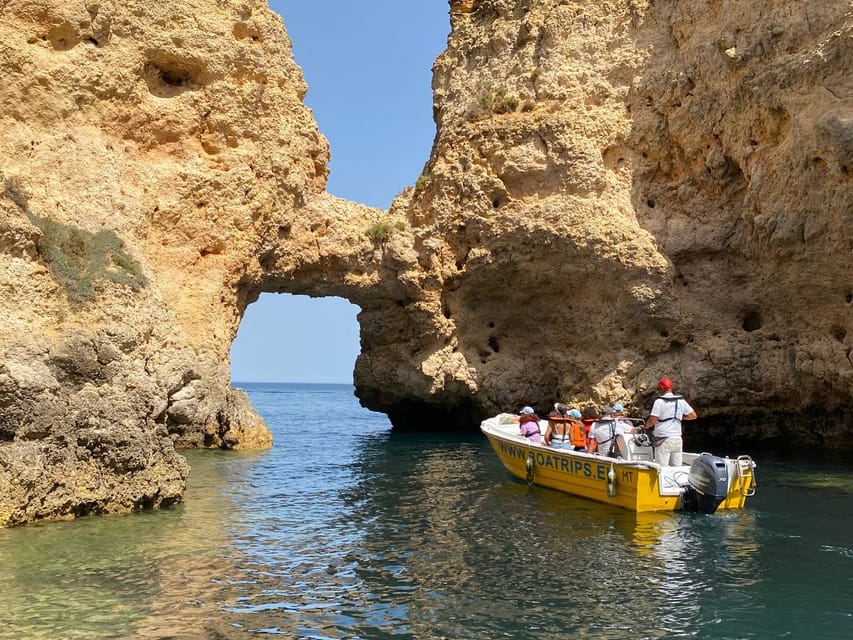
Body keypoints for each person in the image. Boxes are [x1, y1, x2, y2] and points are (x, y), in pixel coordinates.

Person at [644, 377, 698, 467]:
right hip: (677, 439)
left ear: (661, 388)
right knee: (677, 468)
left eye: (658, 389)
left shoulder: (659, 402)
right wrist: (679, 417)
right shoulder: (681, 401)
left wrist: (646, 426)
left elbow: (652, 420)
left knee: (661, 468)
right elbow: (693, 416)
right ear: (670, 388)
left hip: (663, 439)